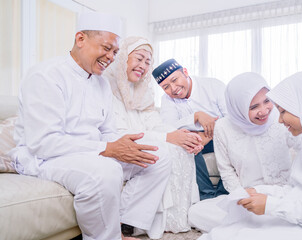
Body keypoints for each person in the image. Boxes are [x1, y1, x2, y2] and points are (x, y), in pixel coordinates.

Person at [10, 12, 171, 240]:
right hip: (47, 158)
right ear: (80, 39)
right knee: (106, 171)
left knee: (158, 157)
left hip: (90, 153)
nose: (111, 57)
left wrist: (122, 145)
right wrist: (107, 149)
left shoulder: (101, 83)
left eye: (115, 52)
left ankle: (124, 224)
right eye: (106, 48)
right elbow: (44, 144)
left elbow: (107, 132)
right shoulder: (46, 75)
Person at [199, 71, 302, 240]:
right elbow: (297, 191)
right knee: (223, 231)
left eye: (283, 112)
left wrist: (271, 205)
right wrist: (258, 192)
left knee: (241, 234)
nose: (279, 120)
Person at [103, 36, 202, 239]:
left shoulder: (141, 90)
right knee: (162, 149)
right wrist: (168, 137)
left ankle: (174, 219)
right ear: (123, 57)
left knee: (180, 146)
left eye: (148, 62)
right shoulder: (106, 87)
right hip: (117, 144)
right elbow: (118, 132)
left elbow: (154, 122)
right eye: (139, 58)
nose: (143, 66)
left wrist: (180, 135)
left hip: (143, 138)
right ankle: (129, 220)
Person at [188, 72, 300, 232]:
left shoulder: (281, 117)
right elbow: (226, 171)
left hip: (282, 196)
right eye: (254, 107)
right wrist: (242, 197)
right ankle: (261, 226)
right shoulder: (223, 127)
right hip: (246, 200)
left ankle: (256, 227)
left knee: (287, 213)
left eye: (267, 101)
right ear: (238, 107)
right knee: (196, 212)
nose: (264, 111)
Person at [152, 59, 228, 200]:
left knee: (234, 139)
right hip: (196, 139)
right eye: (166, 87)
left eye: (175, 80)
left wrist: (211, 134)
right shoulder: (167, 99)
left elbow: (232, 119)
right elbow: (169, 128)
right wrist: (196, 116)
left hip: (223, 136)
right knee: (185, 143)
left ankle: (224, 195)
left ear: (185, 72)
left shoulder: (213, 86)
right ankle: (206, 198)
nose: (173, 88)